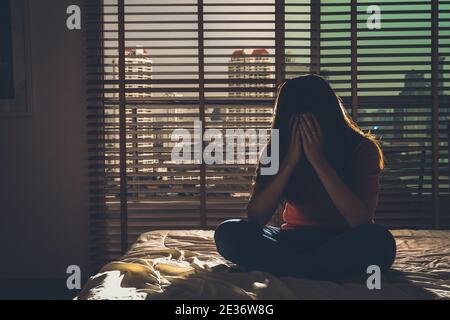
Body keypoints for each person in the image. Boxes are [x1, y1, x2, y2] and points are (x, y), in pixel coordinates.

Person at [214, 74, 397, 280]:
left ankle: (290, 267)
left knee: (379, 241)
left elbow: (361, 220)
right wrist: (290, 162)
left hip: (341, 240)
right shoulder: (277, 150)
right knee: (228, 233)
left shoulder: (362, 149)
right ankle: (316, 269)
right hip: (291, 239)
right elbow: (256, 217)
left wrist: (319, 161)